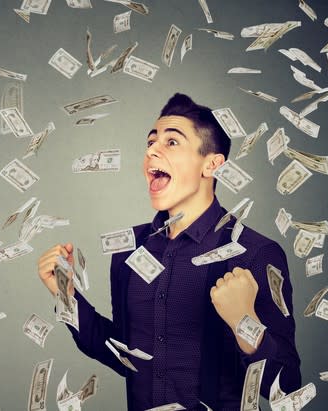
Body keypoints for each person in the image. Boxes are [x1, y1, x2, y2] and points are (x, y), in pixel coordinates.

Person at [37, 93, 301, 411]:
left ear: (212, 164)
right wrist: (65, 294)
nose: (152, 150)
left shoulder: (255, 253)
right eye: (151, 142)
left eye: (172, 142)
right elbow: (125, 356)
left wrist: (245, 322)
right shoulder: (128, 248)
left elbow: (287, 388)